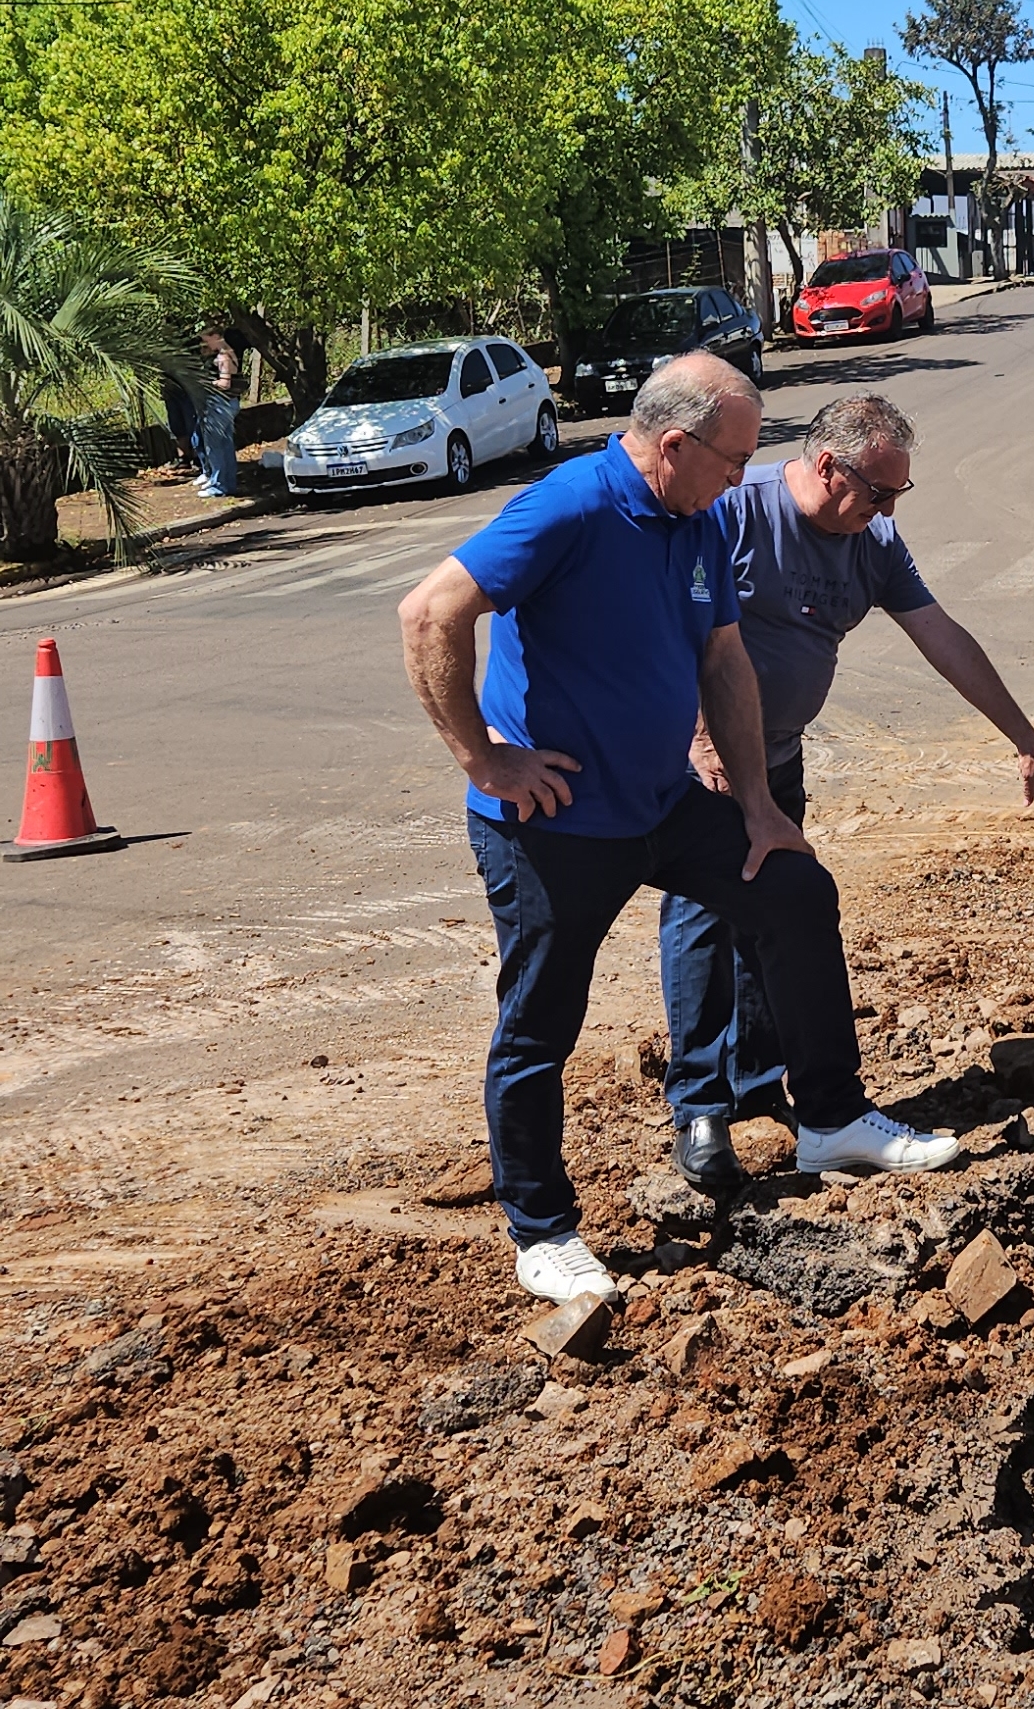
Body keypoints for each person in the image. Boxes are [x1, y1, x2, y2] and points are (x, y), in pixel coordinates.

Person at [397, 352, 961, 1308]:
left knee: (791, 887)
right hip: (556, 822)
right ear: (673, 445)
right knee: (541, 1018)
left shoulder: (697, 522)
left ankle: (827, 1119)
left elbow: (725, 663)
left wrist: (754, 802)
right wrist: (487, 760)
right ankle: (542, 1228)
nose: (745, 477)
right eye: (734, 458)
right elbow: (431, 612)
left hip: (662, 802)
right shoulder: (571, 506)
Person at [659, 392, 1034, 1191]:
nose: (888, 510)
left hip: (777, 759)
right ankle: (701, 1111)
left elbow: (943, 636)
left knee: (774, 913)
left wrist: (1025, 740)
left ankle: (763, 1090)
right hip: (703, 763)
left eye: (897, 496)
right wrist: (700, 740)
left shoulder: (873, 541)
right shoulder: (734, 517)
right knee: (705, 923)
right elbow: (669, 634)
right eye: (878, 492)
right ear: (826, 466)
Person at [198, 324, 242, 499]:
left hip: (220, 404)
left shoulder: (223, 356)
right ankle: (228, 484)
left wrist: (207, 384)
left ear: (215, 336)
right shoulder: (230, 352)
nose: (206, 344)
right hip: (229, 403)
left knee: (214, 446)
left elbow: (225, 383)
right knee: (226, 445)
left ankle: (218, 485)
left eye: (206, 340)